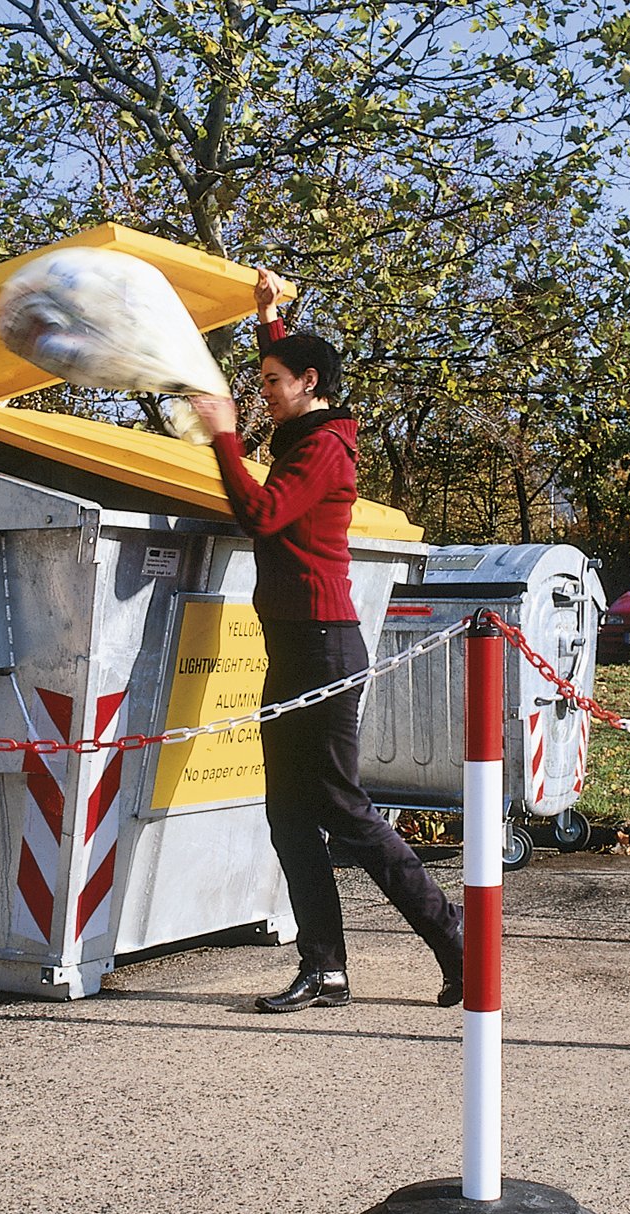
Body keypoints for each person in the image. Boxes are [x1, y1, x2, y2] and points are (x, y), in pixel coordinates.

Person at [190, 270, 463, 1013]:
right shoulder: (307, 431)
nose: (264, 391)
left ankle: (459, 944)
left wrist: (220, 433)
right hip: (293, 642)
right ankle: (325, 968)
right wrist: (269, 317)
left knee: (341, 807)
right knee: (285, 808)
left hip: (324, 645)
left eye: (274, 381)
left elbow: (261, 514)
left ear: (311, 383)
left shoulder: (323, 452)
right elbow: (289, 371)